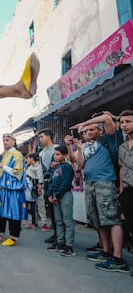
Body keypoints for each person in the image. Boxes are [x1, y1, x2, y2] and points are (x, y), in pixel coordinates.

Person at [72, 113, 130, 273]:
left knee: (112, 218)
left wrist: (83, 122)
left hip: (104, 182)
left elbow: (107, 118)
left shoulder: (108, 140)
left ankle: (118, 258)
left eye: (91, 130)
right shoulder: (87, 146)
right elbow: (81, 166)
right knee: (97, 219)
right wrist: (78, 149)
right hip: (90, 183)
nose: (87, 133)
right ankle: (106, 251)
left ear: (100, 131)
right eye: (84, 132)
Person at [0, 133, 27, 246]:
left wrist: (3, 166)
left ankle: (13, 237)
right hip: (2, 188)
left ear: (13, 141)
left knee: (13, 212)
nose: (5, 142)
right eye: (4, 140)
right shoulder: (4, 155)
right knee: (0, 211)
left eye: (7, 139)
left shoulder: (17, 155)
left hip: (13, 189)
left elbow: (18, 172)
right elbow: (2, 171)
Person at [46, 145, 75, 257]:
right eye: (55, 154)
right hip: (55, 196)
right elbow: (53, 182)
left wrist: (57, 195)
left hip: (65, 195)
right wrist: (49, 193)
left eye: (58, 154)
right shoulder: (56, 168)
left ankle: (69, 246)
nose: (55, 156)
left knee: (67, 220)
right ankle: (60, 242)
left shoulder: (67, 167)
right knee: (58, 221)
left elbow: (66, 182)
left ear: (65, 155)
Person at [117, 110, 133, 276]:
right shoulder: (122, 146)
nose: (124, 125)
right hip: (128, 190)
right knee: (130, 226)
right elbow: (121, 168)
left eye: (128, 121)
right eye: (122, 123)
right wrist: (121, 188)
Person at [38, 129, 59, 242]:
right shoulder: (41, 153)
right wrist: (40, 184)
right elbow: (40, 170)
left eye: (42, 137)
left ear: (48, 137)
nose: (40, 139)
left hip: (57, 182)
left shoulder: (57, 148)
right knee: (51, 208)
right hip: (47, 183)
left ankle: (62, 236)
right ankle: (56, 234)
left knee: (59, 209)